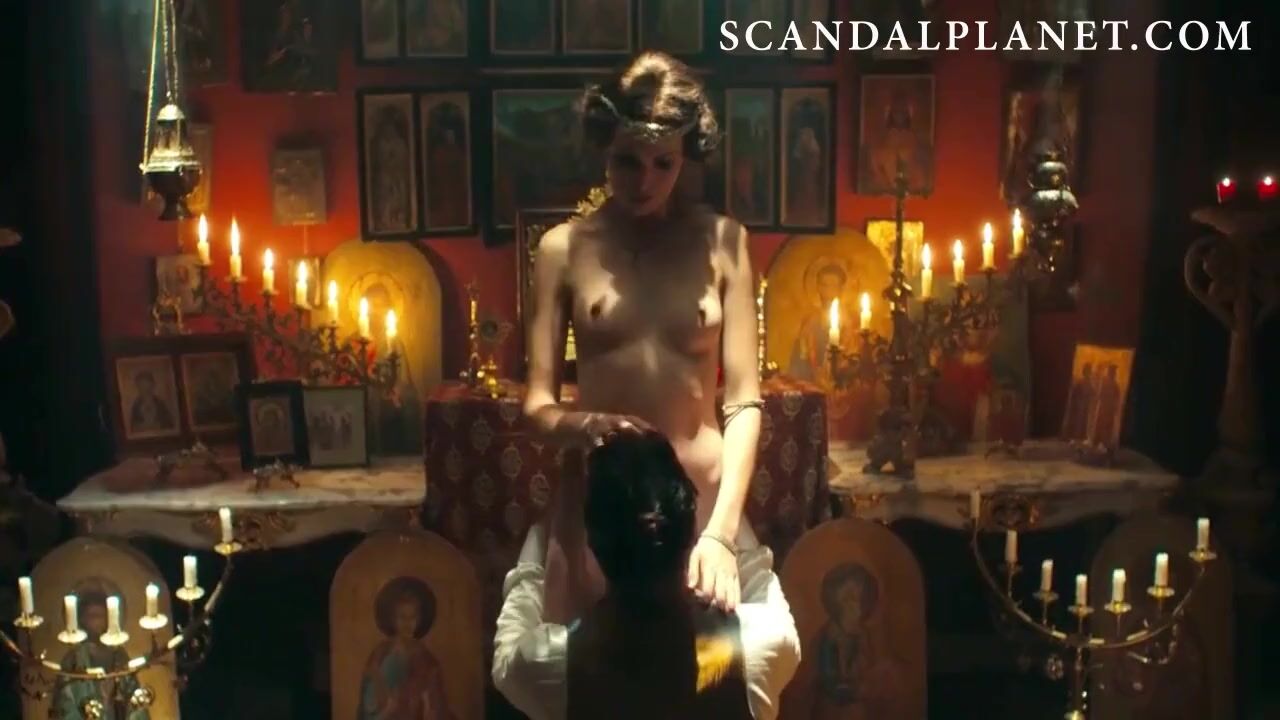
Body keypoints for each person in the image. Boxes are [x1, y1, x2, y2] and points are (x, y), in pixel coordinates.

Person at [520, 50, 793, 630]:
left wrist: (720, 533)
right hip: (600, 508)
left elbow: (744, 400)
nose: (643, 181)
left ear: (686, 156)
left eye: (662, 163)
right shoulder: (562, 250)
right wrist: (583, 425)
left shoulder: (725, 243)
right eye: (627, 161)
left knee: (714, 672)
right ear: (604, 149)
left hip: (703, 506)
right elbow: (537, 406)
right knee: (584, 669)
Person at [493, 432, 800, 719]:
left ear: (593, 545)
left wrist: (565, 497)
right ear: (691, 534)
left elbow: (514, 628)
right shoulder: (764, 643)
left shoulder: (547, 665)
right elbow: (756, 569)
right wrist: (721, 528)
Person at [358, 578, 455, 720]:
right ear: (392, 619)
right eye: (402, 617)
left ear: (419, 620)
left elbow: (434, 704)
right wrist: (385, 708)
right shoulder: (380, 653)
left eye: (412, 617)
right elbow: (368, 701)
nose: (407, 623)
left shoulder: (426, 660)